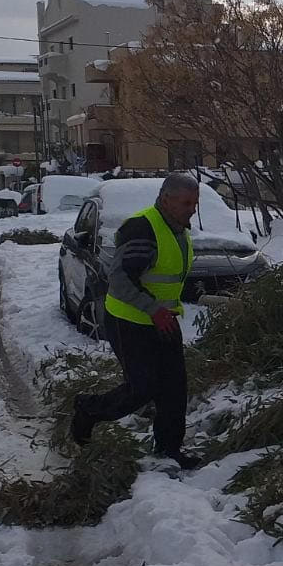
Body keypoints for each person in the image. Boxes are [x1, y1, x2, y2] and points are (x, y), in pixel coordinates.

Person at [70, 172, 201, 468]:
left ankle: (169, 451)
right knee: (141, 388)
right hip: (129, 320)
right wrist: (152, 309)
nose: (191, 208)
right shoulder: (143, 229)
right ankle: (88, 410)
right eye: (185, 203)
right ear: (166, 200)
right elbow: (119, 279)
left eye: (194, 203)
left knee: (174, 389)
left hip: (163, 321)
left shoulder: (179, 230)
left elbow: (167, 278)